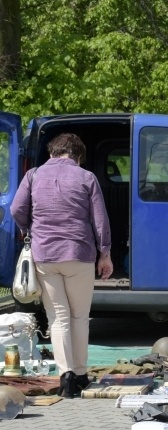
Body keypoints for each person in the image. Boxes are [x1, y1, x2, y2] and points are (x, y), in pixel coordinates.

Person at [11, 133, 113, 398]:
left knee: (58, 316)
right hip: (79, 253)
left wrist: (28, 229)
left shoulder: (33, 175)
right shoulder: (86, 177)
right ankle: (81, 375)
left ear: (52, 153)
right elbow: (100, 220)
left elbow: (16, 209)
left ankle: (65, 376)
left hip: (45, 255)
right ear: (78, 156)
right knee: (79, 316)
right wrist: (105, 253)